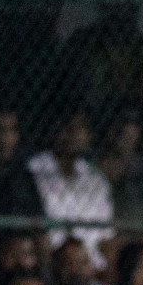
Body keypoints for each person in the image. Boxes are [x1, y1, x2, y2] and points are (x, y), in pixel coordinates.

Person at [28, 110, 114, 270]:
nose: (75, 134)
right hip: (52, 264)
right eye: (68, 128)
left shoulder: (95, 179)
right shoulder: (34, 170)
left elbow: (107, 237)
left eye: (81, 128)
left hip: (93, 266)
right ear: (55, 131)